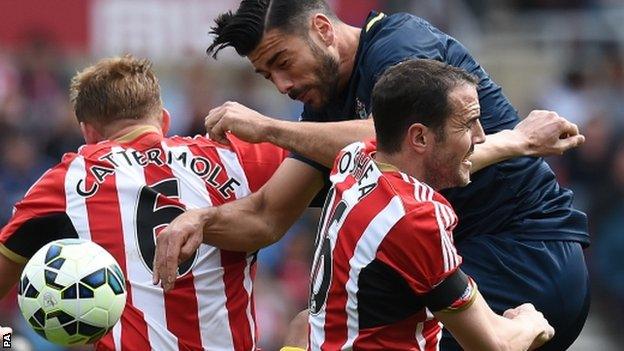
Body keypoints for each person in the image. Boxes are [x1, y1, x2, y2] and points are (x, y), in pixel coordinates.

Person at [154, 1, 587, 350]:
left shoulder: (400, 44)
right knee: (307, 330)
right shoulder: (323, 111)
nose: (281, 85)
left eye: (283, 61)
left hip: (525, 254)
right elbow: (267, 215)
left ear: (323, 29)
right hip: (458, 259)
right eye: (268, 76)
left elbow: (390, 142)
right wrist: (201, 221)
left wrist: (268, 127)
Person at [0, 56, 292, 350]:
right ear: (164, 120)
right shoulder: (236, 157)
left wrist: (8, 341)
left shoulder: (65, 181)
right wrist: (269, 128)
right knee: (302, 326)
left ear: (88, 132)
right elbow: (333, 156)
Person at [308, 58, 555, 350]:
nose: (480, 136)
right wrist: (532, 322)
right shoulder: (416, 216)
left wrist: (518, 141)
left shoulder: (355, 157)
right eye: (467, 124)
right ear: (419, 137)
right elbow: (495, 345)